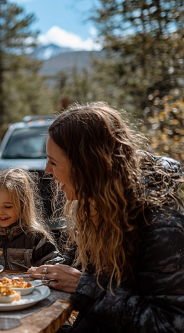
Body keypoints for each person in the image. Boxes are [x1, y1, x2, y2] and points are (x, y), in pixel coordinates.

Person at [28, 102, 184, 332]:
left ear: (86, 167)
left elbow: (168, 324)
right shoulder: (97, 207)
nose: (47, 171)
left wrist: (85, 287)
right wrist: (47, 273)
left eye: (53, 162)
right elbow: (77, 268)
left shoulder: (160, 223)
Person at [0, 168, 63, 270]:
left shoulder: (34, 236)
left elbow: (56, 265)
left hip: (23, 286)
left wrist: (41, 270)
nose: (0, 212)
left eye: (7, 206)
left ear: (23, 205)